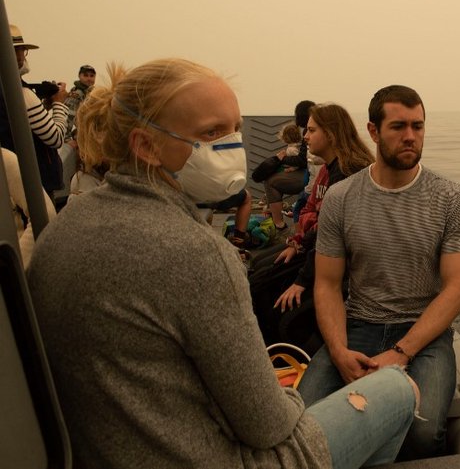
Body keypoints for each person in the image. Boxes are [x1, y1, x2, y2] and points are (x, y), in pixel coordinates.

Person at [27, 59, 418, 469]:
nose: (232, 145)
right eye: (211, 133)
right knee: (394, 387)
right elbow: (267, 427)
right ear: (145, 146)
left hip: (120, 444)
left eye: (234, 129)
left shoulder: (66, 224)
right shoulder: (195, 252)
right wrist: (285, 394)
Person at [296, 85, 460, 461]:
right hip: (359, 325)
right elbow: (327, 285)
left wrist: (401, 351)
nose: (410, 136)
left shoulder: (451, 197)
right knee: (302, 424)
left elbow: (456, 288)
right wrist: (340, 350)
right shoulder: (342, 198)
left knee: (424, 433)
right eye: (398, 127)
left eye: (418, 126)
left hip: (423, 334)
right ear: (374, 132)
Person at [252, 104, 374, 352]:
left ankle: (280, 355)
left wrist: (300, 281)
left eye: (311, 130)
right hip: (324, 252)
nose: (305, 137)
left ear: (330, 133)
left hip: (345, 269)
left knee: (262, 289)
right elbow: (324, 227)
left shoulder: (347, 173)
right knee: (260, 268)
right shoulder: (333, 169)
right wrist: (298, 244)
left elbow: (333, 235)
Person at [2, 25, 68, 197]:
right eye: (15, 50)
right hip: (36, 184)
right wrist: (59, 104)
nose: (19, 56)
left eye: (21, 50)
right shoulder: (23, 93)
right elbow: (56, 137)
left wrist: (44, 107)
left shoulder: (7, 90)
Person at [261, 101, 313, 231]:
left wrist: (282, 159)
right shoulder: (312, 130)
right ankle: (274, 214)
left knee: (270, 181)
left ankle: (278, 222)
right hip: (311, 173)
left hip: (310, 176)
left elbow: (302, 160)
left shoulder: (307, 131)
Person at [59, 64, 97, 197]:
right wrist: (67, 139)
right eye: (85, 75)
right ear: (80, 76)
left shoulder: (91, 94)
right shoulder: (77, 94)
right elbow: (68, 118)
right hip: (79, 140)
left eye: (92, 76)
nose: (89, 79)